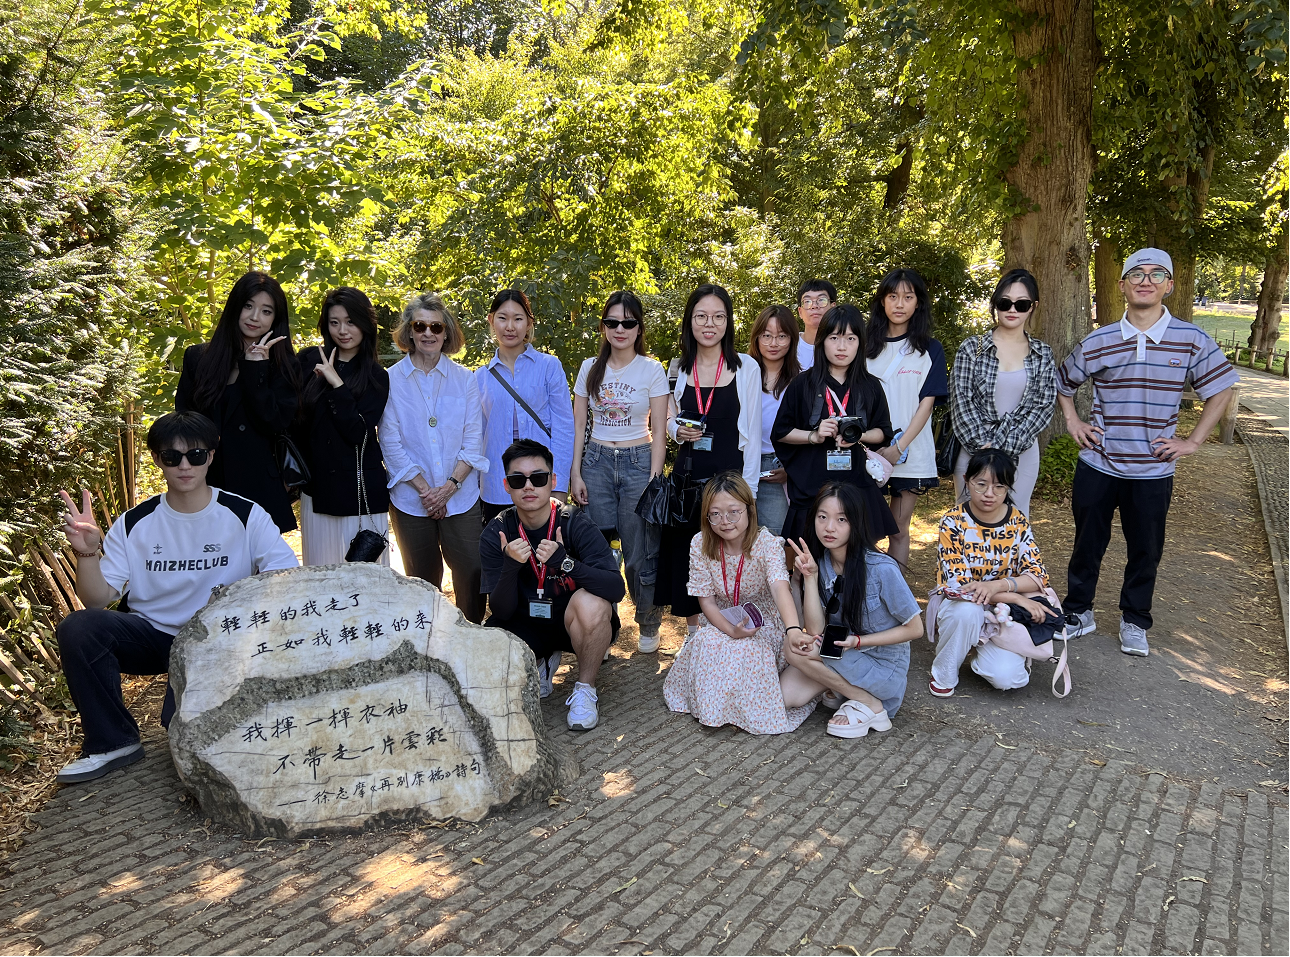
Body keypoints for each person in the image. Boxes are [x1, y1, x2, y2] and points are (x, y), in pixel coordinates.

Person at [54, 411, 299, 784]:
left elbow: (284, 580)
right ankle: (112, 742)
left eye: (195, 455)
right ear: (157, 459)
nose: (185, 466)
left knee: (180, 726)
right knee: (80, 627)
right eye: (172, 456)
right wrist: (86, 552)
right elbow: (96, 600)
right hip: (154, 637)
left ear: (211, 455)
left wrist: (237, 613)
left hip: (216, 640)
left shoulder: (245, 515)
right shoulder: (135, 522)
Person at [1058, 248, 1237, 656]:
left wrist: (1193, 441)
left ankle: (1135, 620)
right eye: (1136, 274)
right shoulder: (1099, 339)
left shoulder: (1191, 339)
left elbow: (1222, 388)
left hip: (1153, 470)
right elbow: (1063, 383)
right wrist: (1073, 422)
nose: (1146, 281)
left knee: (1146, 550)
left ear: (1169, 286)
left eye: (1157, 274)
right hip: (1099, 463)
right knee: (1087, 544)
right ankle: (1078, 612)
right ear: (1122, 285)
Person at [480, 439, 625, 730]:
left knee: (594, 604)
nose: (528, 486)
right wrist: (510, 566)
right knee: (487, 647)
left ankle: (585, 689)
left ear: (553, 481)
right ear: (506, 486)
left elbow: (615, 589)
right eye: (518, 480)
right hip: (524, 622)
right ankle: (541, 660)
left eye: (538, 478)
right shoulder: (498, 531)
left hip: (571, 622)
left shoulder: (574, 523)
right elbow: (500, 611)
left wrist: (566, 563)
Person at [662, 472, 814, 734]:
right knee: (707, 640)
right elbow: (707, 602)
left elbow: (780, 587)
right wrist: (730, 630)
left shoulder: (768, 544)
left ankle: (741, 710)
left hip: (763, 623)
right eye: (715, 514)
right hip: (722, 620)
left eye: (733, 512)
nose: (725, 521)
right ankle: (716, 710)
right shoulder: (700, 543)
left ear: (749, 509)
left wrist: (792, 630)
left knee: (749, 649)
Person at [655, 283, 762, 634]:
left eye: (718, 316)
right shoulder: (678, 368)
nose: (709, 324)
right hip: (688, 481)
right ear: (690, 321)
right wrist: (675, 430)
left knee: (730, 560)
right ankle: (695, 636)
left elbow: (753, 433)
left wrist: (751, 492)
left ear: (728, 322)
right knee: (691, 560)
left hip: (730, 481)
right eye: (701, 316)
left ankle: (732, 631)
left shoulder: (746, 367)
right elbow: (667, 416)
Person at [780, 483, 922, 738]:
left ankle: (869, 702)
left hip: (882, 667)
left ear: (856, 522)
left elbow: (915, 629)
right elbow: (816, 630)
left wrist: (858, 641)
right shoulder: (822, 563)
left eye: (841, 519)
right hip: (840, 654)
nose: (829, 527)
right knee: (785, 696)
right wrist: (809, 578)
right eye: (822, 517)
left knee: (795, 650)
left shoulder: (881, 568)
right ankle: (851, 694)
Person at [380, 294, 489, 623]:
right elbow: (390, 441)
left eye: (436, 327)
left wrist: (448, 488)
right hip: (411, 500)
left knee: (472, 571)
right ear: (409, 331)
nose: (428, 333)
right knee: (421, 581)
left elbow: (473, 439)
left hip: (461, 497)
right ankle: (430, 641)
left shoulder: (465, 379)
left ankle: (470, 637)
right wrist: (427, 492)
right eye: (420, 326)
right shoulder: (390, 380)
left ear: (446, 332)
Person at [570, 292, 669, 652]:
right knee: (597, 553)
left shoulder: (651, 369)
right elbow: (578, 426)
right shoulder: (589, 368)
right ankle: (603, 626)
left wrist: (654, 479)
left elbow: (659, 430)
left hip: (639, 462)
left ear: (639, 328)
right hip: (595, 462)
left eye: (628, 322)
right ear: (603, 327)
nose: (620, 329)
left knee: (639, 552)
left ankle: (648, 621)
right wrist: (576, 473)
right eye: (612, 322)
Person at [176, 271, 301, 532]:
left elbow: (276, 422)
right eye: (248, 306)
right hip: (206, 484)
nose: (255, 317)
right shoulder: (198, 357)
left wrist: (256, 370)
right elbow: (184, 420)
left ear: (276, 318)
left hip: (258, 488)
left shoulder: (284, 364)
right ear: (235, 306)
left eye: (266, 311)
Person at [927, 449, 1054, 696]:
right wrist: (1015, 596)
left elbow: (1038, 575)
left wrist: (998, 586)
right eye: (981, 484)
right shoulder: (952, 521)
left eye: (999, 486)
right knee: (967, 611)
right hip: (962, 604)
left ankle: (984, 647)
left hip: (1003, 611)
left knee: (1008, 679)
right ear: (967, 480)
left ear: (1009, 487)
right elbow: (961, 587)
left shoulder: (1017, 521)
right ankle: (944, 672)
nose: (989, 493)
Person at [772, 303, 899, 546]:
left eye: (850, 338)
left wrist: (859, 435)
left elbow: (883, 432)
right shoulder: (802, 384)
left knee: (855, 556)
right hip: (812, 486)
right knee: (807, 557)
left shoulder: (870, 385)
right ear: (822, 341)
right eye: (834, 338)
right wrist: (814, 436)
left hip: (857, 486)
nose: (842, 346)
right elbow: (781, 432)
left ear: (860, 343)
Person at [294, 287, 391, 566]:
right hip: (318, 490)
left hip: (359, 493)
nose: (342, 331)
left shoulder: (376, 375)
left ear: (365, 324)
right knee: (321, 575)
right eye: (334, 322)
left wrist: (336, 382)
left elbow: (358, 433)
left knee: (365, 581)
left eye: (350, 322)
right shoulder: (308, 360)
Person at [949, 268, 1056, 516]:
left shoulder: (1043, 354)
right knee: (969, 523)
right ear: (995, 303)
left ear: (1033, 306)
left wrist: (1004, 448)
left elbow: (1043, 407)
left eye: (1022, 304)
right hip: (974, 451)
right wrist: (985, 449)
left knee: (1015, 522)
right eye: (1005, 302)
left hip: (1022, 452)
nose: (1012, 309)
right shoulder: (971, 348)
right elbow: (961, 402)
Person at [866, 268, 949, 567]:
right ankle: (865, 590)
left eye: (908, 297)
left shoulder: (930, 349)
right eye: (892, 296)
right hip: (867, 451)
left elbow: (926, 405)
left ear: (918, 303)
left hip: (911, 453)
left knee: (899, 530)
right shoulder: (864, 344)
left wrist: (898, 447)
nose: (899, 304)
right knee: (865, 530)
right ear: (882, 301)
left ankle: (895, 592)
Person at [476, 289, 575, 524]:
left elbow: (564, 428)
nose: (510, 327)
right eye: (502, 318)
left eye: (518, 319)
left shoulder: (549, 366)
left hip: (541, 483)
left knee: (545, 545)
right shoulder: (480, 377)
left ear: (529, 323)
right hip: (497, 485)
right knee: (503, 545)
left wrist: (559, 484)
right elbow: (477, 436)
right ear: (491, 320)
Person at [748, 304, 800, 536]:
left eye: (782, 336)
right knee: (737, 539)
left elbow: (809, 432)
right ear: (757, 338)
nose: (773, 343)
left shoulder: (801, 382)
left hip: (776, 468)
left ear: (792, 339)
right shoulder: (741, 374)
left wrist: (790, 469)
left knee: (773, 539)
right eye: (766, 335)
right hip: (740, 464)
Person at [795, 279, 836, 369]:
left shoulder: (844, 346)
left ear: (833, 307)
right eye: (807, 301)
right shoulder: (789, 346)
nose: (814, 306)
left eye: (821, 300)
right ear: (800, 312)